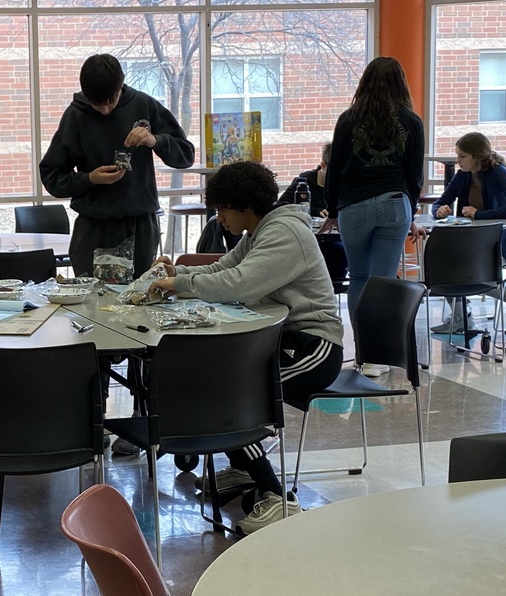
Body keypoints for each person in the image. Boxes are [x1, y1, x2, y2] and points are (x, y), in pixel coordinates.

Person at [149, 160, 344, 534]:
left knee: (234, 396)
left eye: (223, 208)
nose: (219, 217)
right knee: (221, 383)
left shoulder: (285, 233)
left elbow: (240, 284)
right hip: (284, 340)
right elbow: (223, 268)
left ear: (243, 205)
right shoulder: (258, 232)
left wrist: (179, 285)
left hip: (314, 346)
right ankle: (243, 468)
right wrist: (178, 274)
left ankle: (277, 498)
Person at [40, 53, 195, 279]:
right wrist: (89, 179)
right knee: (91, 304)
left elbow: (186, 156)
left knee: (141, 300)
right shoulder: (76, 115)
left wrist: (156, 140)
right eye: (97, 105)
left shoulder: (143, 105)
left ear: (121, 86)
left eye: (110, 102)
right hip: (94, 228)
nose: (104, 110)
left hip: (139, 225)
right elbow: (51, 176)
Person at [322, 56, 425, 378]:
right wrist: (411, 209)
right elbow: (414, 173)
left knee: (360, 279)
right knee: (383, 282)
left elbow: (335, 169)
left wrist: (333, 211)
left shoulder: (348, 119)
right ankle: (378, 358)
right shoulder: (411, 120)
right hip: (396, 202)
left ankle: (364, 352)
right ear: (401, 83)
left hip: (353, 206)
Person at [431, 132, 506, 337]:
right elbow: (441, 201)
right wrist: (439, 210)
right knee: (441, 265)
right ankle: (460, 318)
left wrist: (480, 214)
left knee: (478, 278)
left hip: (500, 241)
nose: (457, 161)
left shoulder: (499, 173)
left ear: (476, 156)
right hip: (470, 242)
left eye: (462, 156)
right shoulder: (462, 175)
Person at [277, 143, 348, 284]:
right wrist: (314, 211)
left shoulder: (345, 185)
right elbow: (281, 205)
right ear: (323, 165)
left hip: (337, 240)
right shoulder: (303, 183)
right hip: (309, 240)